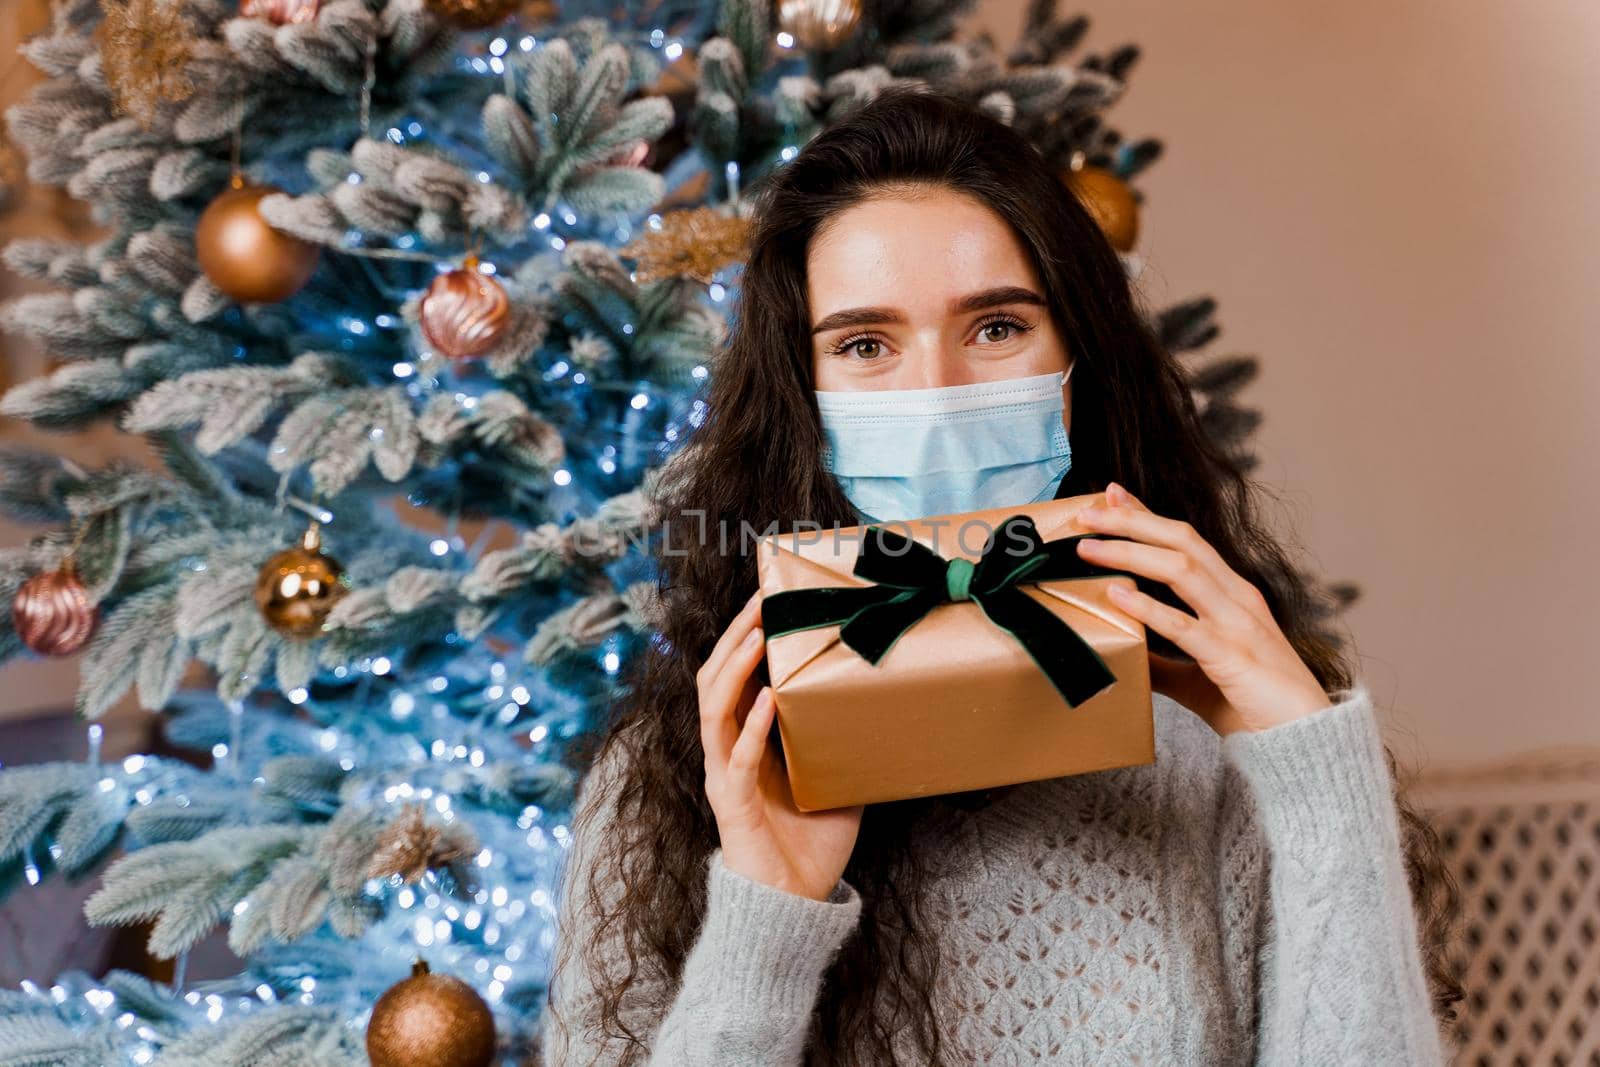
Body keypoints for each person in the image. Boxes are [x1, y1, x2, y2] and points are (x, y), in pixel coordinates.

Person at [537, 87, 1461, 1066]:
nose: (936, 394)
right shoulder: (679, 777)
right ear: (801, 395)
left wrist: (1317, 785)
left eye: (995, 327)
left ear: (1077, 356)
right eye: (864, 343)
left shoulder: (1221, 744)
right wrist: (766, 918)